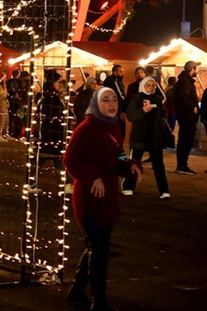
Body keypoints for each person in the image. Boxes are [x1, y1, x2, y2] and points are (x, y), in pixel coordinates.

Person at [64, 87, 143, 311]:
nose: (111, 104)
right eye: (105, 100)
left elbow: (118, 155)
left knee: (96, 244)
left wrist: (130, 167)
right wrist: (92, 177)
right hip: (90, 196)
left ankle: (77, 291)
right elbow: (70, 159)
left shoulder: (114, 126)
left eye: (114, 100)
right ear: (96, 104)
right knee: (99, 247)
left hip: (107, 195)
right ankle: (100, 301)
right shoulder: (86, 128)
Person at [123, 77, 170, 199]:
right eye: (148, 85)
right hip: (140, 136)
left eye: (153, 85)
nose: (151, 87)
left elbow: (164, 114)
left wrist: (162, 125)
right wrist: (143, 111)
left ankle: (164, 191)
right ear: (143, 86)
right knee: (135, 163)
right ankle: (128, 187)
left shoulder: (158, 100)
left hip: (154, 137)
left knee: (159, 164)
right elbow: (131, 116)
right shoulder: (137, 99)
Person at [173, 61, 199, 175]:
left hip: (186, 116)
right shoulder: (185, 82)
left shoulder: (185, 80)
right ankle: (182, 166)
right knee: (185, 141)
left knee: (185, 140)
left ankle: (182, 164)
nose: (197, 71)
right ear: (192, 69)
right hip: (187, 116)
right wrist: (192, 106)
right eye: (196, 68)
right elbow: (182, 96)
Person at [102, 65, 126, 138]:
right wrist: (123, 108)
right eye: (120, 72)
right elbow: (120, 95)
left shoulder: (114, 81)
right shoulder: (114, 81)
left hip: (112, 109)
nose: (122, 74)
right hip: (116, 110)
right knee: (119, 130)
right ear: (115, 72)